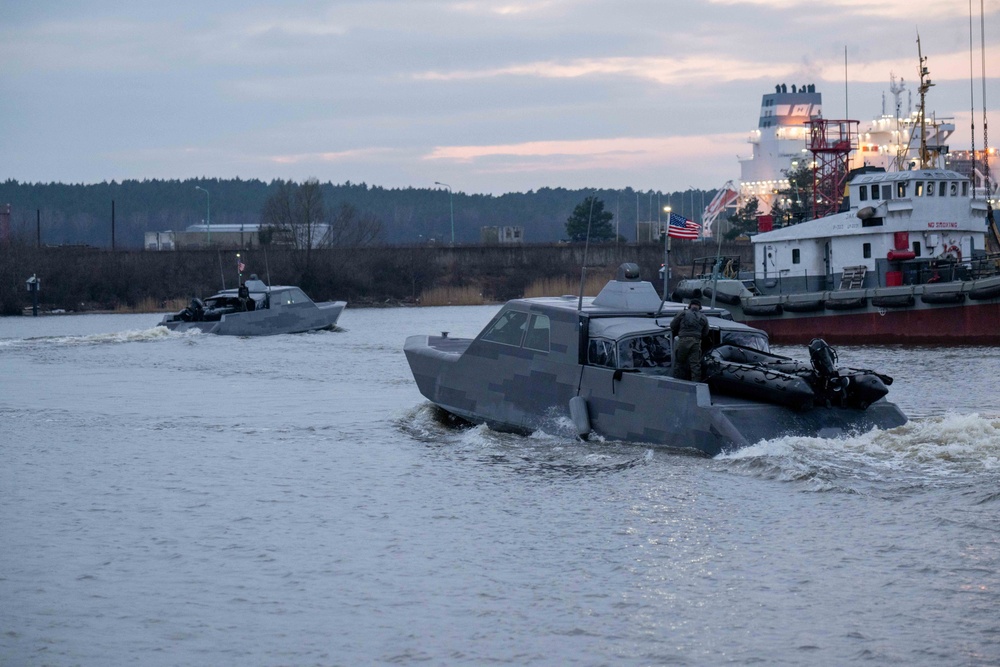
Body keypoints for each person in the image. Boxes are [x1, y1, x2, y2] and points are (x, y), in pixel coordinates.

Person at [670, 299, 710, 381]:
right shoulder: (703, 317)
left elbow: (672, 325)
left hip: (683, 340)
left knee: (679, 363)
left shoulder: (683, 313)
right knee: (695, 365)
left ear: (690, 305)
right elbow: (705, 333)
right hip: (696, 342)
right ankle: (696, 384)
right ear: (700, 307)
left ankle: (677, 382)